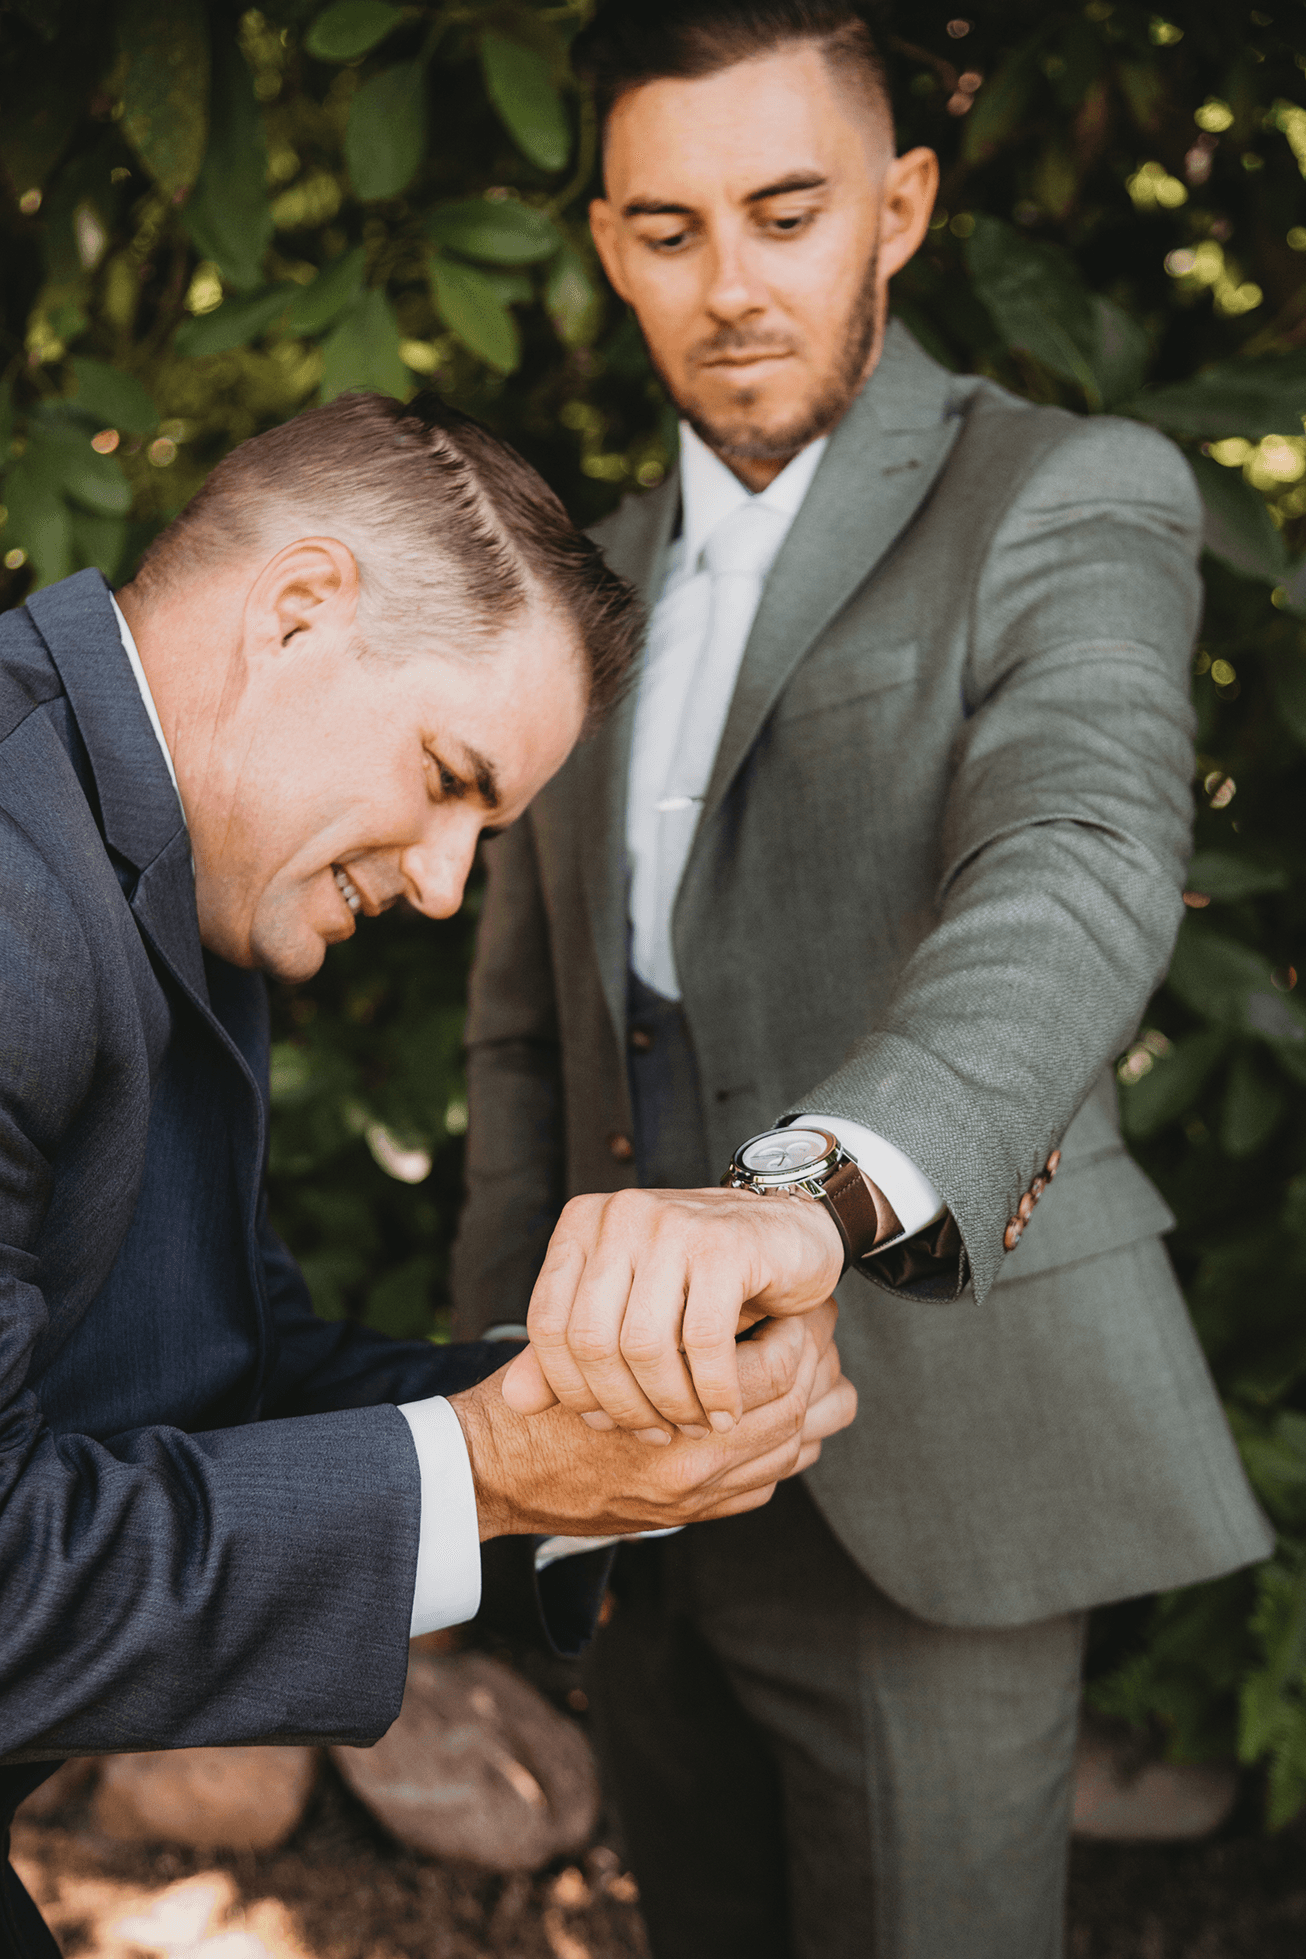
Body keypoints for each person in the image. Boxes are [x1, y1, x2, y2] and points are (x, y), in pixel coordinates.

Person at [450, 6, 1274, 1956]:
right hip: (621, 1491)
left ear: (897, 206)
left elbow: (1073, 866)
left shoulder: (1064, 493)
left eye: (784, 210)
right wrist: (497, 1423)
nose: (726, 284)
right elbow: (522, 1032)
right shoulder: (585, 591)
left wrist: (816, 1194)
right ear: (600, 245)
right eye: (665, 230)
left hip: (932, 1473)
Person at [0, 389, 858, 1958]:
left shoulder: (162, 865)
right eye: (451, 774)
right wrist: (495, 1468)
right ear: (300, 610)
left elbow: (229, 1375)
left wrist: (605, 1418)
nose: (449, 881)